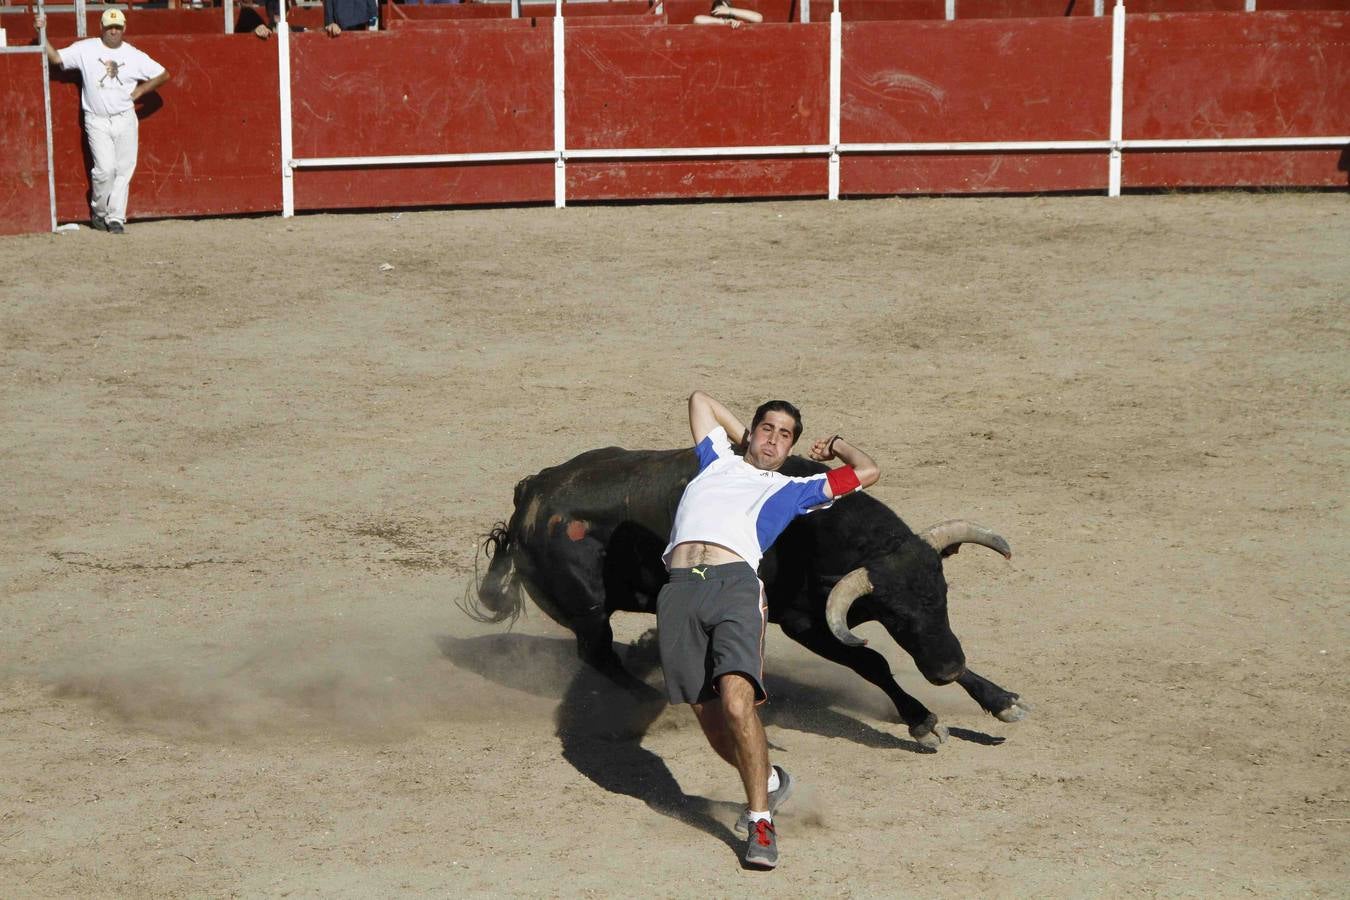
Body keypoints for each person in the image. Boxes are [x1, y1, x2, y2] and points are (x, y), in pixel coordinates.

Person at [658, 390, 879, 869]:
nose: (775, 440)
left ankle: (760, 820)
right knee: (714, 725)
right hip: (678, 592)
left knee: (738, 703)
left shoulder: (794, 488)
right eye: (767, 429)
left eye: (785, 435)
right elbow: (700, 399)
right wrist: (744, 442)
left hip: (734, 586)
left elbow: (868, 473)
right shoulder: (715, 461)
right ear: (751, 432)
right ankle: (774, 783)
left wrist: (835, 444)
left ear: (792, 446)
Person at [34, 9, 170, 234]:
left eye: (117, 27)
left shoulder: (134, 55)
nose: (113, 31)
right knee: (105, 170)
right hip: (96, 119)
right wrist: (42, 32)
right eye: (109, 27)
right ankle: (99, 211)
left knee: (124, 170)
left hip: (125, 117)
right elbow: (56, 57)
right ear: (101, 27)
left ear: (124, 28)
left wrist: (140, 91)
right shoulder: (86, 48)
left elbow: (163, 74)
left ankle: (116, 217)